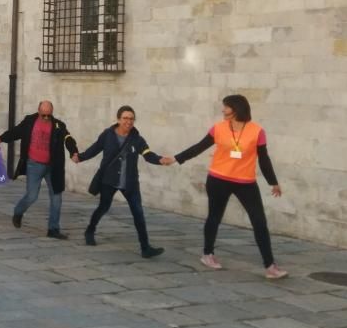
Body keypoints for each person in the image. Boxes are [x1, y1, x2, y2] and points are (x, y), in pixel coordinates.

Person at [171, 94, 287, 279]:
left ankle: (270, 266)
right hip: (218, 180)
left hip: (245, 183)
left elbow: (263, 159)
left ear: (237, 108)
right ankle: (207, 254)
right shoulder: (218, 128)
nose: (223, 110)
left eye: (226, 107)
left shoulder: (257, 131)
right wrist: (177, 158)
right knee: (214, 217)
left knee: (259, 221)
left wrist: (273, 182)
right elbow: (199, 147)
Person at [75, 105, 168, 258]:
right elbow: (95, 148)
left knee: (138, 213)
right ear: (118, 119)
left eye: (131, 119)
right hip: (109, 180)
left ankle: (145, 248)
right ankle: (90, 230)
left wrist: (160, 160)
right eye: (125, 118)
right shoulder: (108, 135)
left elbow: (147, 154)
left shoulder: (137, 139)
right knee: (103, 207)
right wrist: (80, 157)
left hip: (129, 182)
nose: (128, 121)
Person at [0, 100, 79, 238]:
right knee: (32, 196)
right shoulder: (29, 121)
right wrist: (0, 138)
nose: (45, 118)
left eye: (48, 115)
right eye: (43, 115)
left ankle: (53, 229)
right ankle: (18, 211)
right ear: (38, 112)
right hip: (34, 165)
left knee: (57, 198)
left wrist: (73, 151)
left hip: (53, 166)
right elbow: (15, 132)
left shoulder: (58, 125)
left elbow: (68, 138)